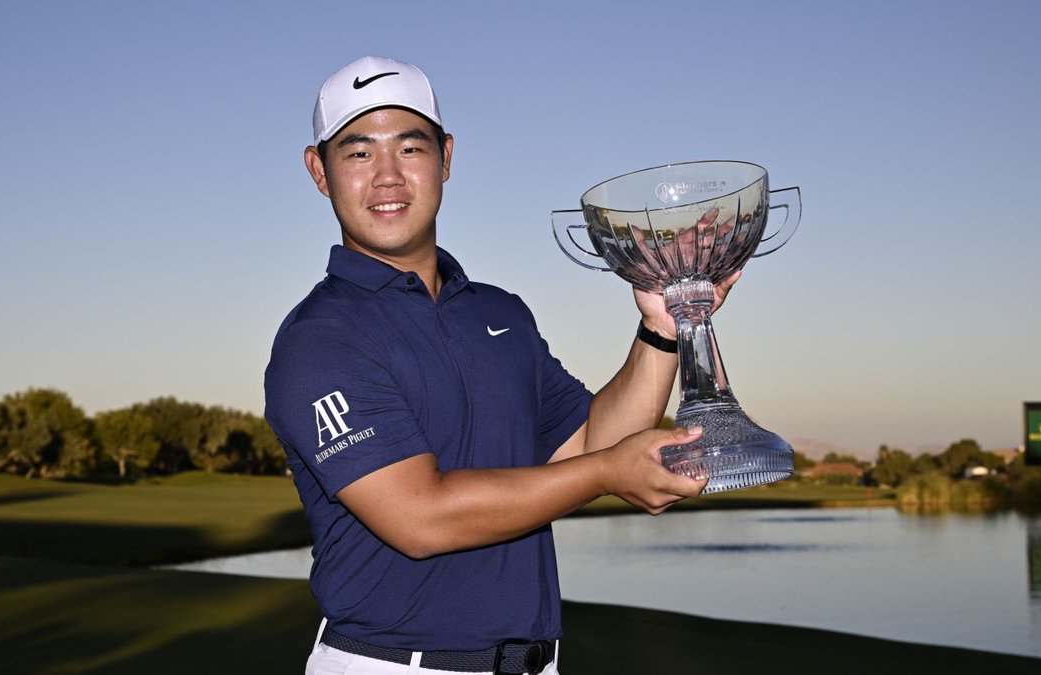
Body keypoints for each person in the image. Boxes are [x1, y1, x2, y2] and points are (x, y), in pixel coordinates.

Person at [264, 55, 740, 675]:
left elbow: (591, 445)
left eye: (410, 148)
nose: (387, 177)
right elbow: (421, 517)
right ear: (319, 171)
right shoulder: (320, 339)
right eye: (358, 153)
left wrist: (661, 327)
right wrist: (606, 473)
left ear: (446, 158)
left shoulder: (499, 313)